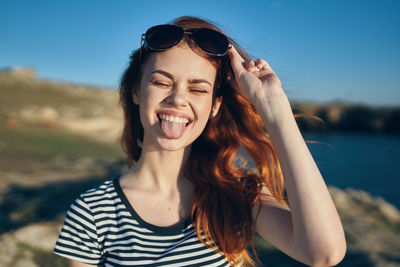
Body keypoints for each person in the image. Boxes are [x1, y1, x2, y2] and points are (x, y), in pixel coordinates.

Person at [53, 16, 346, 266]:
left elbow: (324, 254)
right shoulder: (92, 211)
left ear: (215, 106)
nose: (178, 99)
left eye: (198, 89)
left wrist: (272, 105)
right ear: (136, 92)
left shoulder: (238, 191)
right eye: (161, 82)